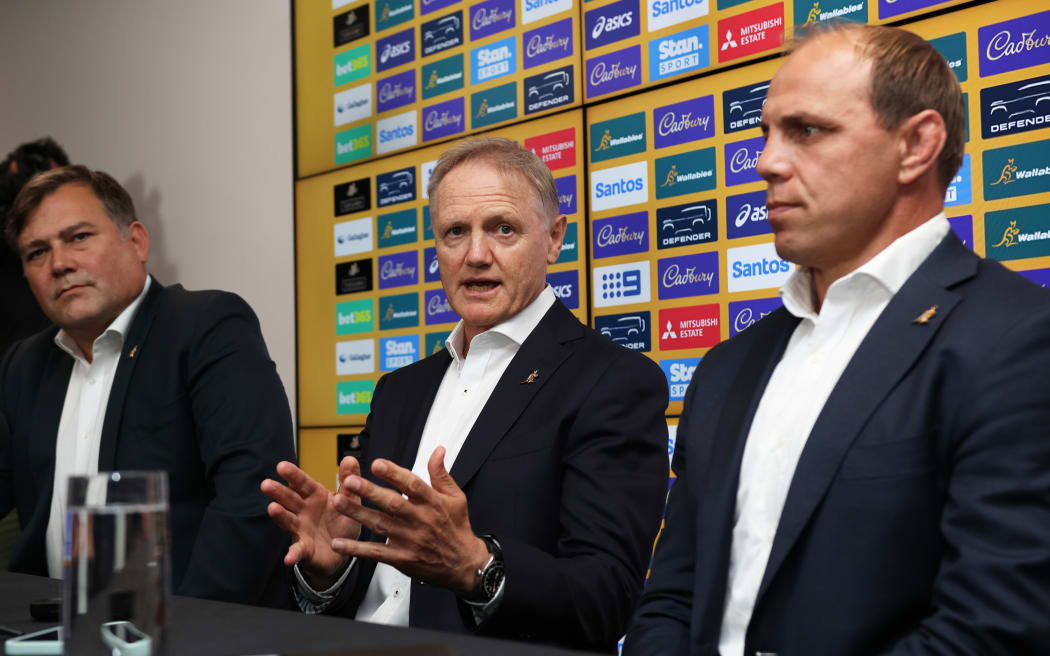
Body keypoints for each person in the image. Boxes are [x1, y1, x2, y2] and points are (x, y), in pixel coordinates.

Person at [625, 23, 1050, 656]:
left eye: (807, 131)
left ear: (916, 146)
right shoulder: (726, 368)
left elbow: (996, 629)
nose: (766, 161)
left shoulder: (1017, 341)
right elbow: (672, 597)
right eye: (765, 132)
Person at [262, 137, 669, 651]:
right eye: (456, 232)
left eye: (503, 228)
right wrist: (331, 567)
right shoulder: (398, 391)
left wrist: (477, 566)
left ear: (553, 238)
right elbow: (369, 593)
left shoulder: (612, 381)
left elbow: (606, 601)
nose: (476, 255)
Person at [0, 165, 296, 606]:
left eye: (79, 237)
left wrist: (186, 635)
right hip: (51, 631)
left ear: (136, 241)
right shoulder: (23, 365)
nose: (59, 263)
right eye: (37, 252)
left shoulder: (206, 326)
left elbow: (252, 497)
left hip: (190, 631)